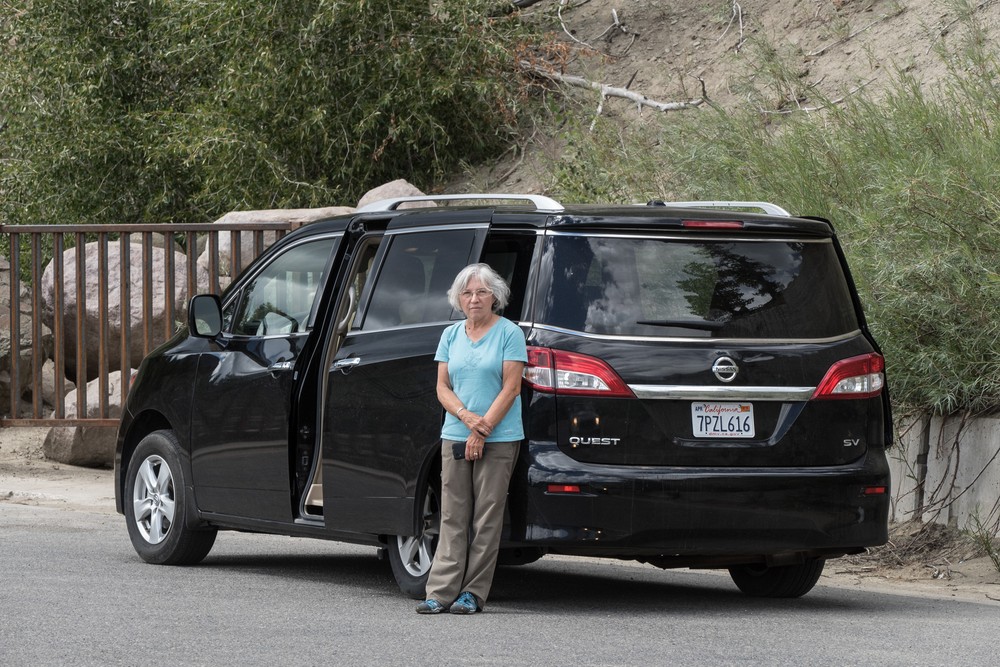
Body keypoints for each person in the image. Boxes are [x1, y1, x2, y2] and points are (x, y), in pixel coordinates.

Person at [415, 263, 527, 615]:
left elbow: (511, 387)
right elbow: (442, 387)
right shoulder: (451, 335)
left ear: (494, 295)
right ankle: (440, 592)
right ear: (458, 299)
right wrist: (465, 419)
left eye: (481, 292)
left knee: (487, 516)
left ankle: (473, 593)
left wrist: (481, 430)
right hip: (455, 433)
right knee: (452, 514)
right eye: (466, 293)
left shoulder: (509, 333)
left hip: (500, 435)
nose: (474, 299)